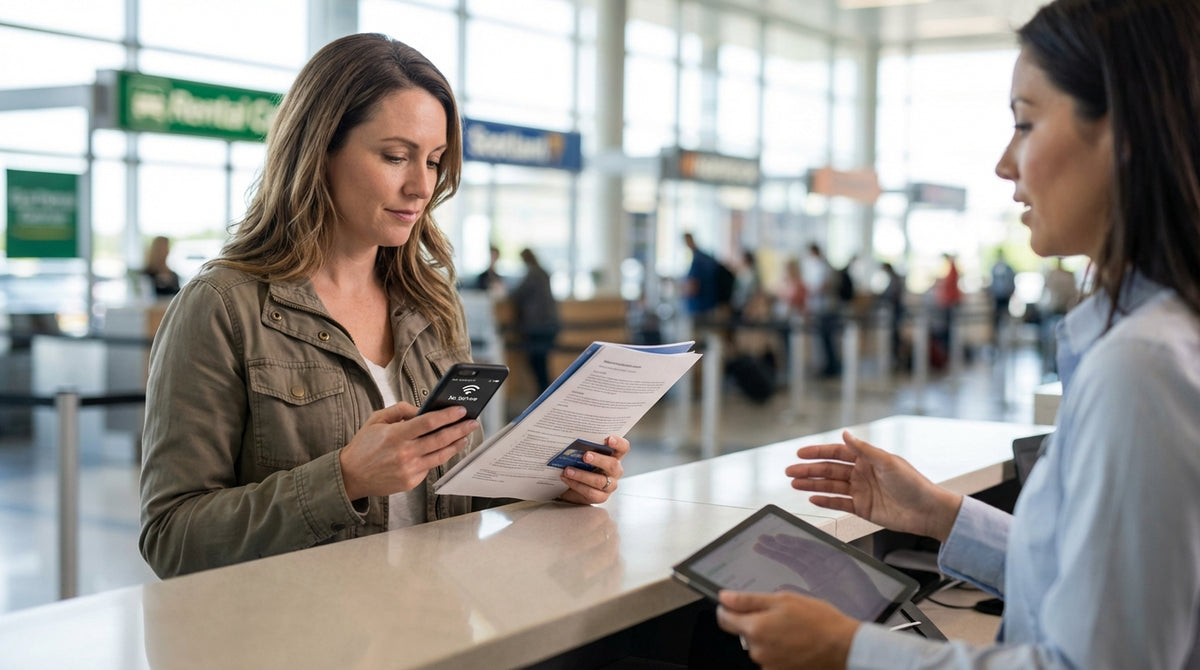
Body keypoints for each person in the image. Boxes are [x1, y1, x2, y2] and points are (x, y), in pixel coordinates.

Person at [716, 2, 1200, 668]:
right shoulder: (1151, 339)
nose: (1006, 163)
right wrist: (942, 515)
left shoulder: (1141, 366)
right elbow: (1104, 586)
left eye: (1026, 124)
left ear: (1126, 134)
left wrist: (848, 651)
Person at [138, 34, 628, 580]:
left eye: (435, 161)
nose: (421, 186)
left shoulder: (433, 306)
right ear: (318, 149)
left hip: (434, 631)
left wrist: (554, 485)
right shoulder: (221, 308)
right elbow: (171, 538)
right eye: (396, 156)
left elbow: (458, 501)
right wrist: (344, 480)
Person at [511, 247, 560, 394]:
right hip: (549, 323)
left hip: (537, 325)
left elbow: (517, 294)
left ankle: (543, 396)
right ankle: (544, 396)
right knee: (542, 364)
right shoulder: (542, 272)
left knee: (538, 365)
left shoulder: (533, 273)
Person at [805, 242, 841, 377]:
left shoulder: (825, 267)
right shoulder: (820, 267)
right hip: (821, 309)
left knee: (828, 340)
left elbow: (826, 286)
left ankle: (832, 367)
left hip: (827, 309)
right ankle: (828, 366)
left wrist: (813, 291)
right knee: (823, 341)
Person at [680, 232, 722, 323]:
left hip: (699, 308)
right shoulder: (706, 258)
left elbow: (693, 287)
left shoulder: (698, 260)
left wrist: (681, 289)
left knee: (697, 335)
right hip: (709, 305)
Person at [878, 262, 905, 368]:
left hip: (896, 311)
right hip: (895, 311)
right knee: (894, 336)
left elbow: (892, 295)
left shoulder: (894, 280)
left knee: (895, 337)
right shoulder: (894, 279)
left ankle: (898, 360)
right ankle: (896, 359)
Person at [989, 250, 1016, 342]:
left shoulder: (1008, 268)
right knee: (997, 318)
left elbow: (1012, 281)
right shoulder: (994, 268)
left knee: (1005, 317)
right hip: (997, 297)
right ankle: (997, 338)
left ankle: (1006, 337)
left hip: (1005, 296)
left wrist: (1011, 292)